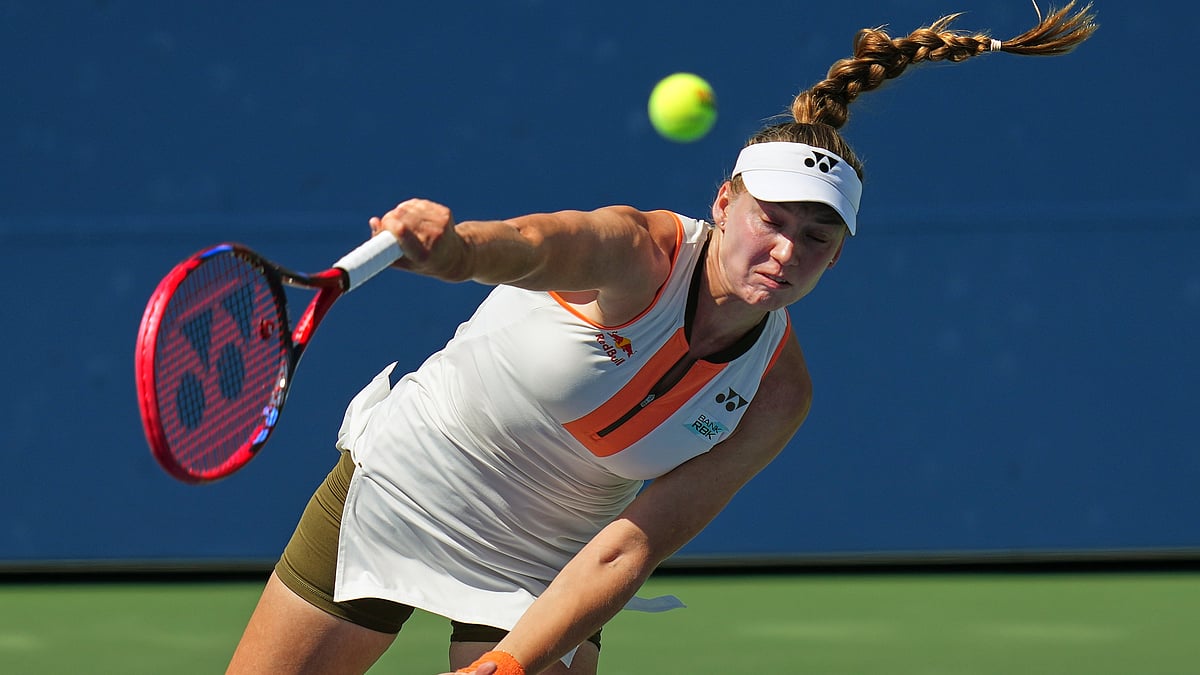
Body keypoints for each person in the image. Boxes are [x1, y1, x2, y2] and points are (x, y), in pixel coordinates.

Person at [226, 4, 1096, 674]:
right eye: (771, 219)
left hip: (555, 559)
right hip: (409, 485)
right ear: (725, 202)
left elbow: (630, 542)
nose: (786, 249)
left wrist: (510, 658)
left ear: (840, 255)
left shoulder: (777, 393)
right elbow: (525, 246)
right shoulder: (633, 251)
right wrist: (448, 248)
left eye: (818, 236)